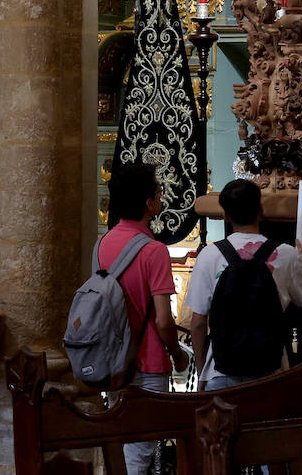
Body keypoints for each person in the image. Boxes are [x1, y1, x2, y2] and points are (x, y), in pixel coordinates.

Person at [185, 179, 302, 391]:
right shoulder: (286, 254)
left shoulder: (209, 256)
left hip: (220, 372)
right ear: (261, 211)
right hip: (270, 373)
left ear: (226, 216)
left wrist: (203, 372)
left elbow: (198, 323)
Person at [100, 161, 189, 475]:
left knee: (123, 441)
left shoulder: (102, 244)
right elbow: (164, 321)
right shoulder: (153, 251)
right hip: (147, 361)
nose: (161, 195)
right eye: (158, 190)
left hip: (113, 362)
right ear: (149, 202)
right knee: (140, 452)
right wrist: (178, 356)